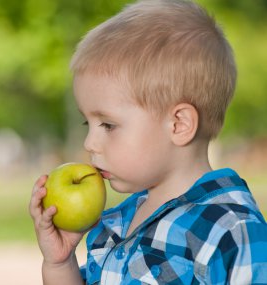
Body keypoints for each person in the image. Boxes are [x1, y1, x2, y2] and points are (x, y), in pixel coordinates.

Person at [29, 0, 267, 284]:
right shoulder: (120, 220)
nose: (90, 143)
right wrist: (59, 262)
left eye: (108, 124)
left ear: (179, 124)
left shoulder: (231, 230)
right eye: (87, 123)